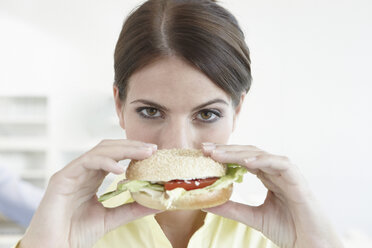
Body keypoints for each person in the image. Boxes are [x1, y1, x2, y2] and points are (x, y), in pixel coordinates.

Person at [17, 0, 344, 247]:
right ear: (119, 105)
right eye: (150, 112)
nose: (177, 145)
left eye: (206, 114)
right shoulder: (68, 232)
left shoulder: (284, 233)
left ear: (237, 109)